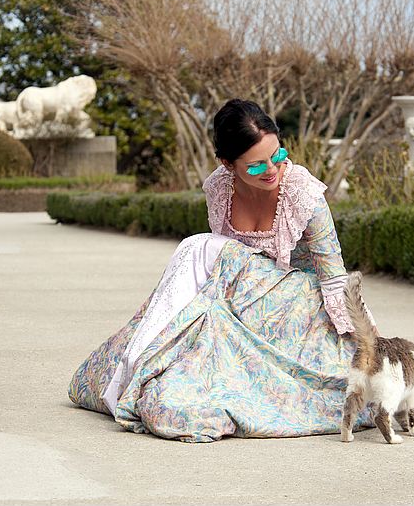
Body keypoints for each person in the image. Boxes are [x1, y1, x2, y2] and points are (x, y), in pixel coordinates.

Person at [68, 98, 377, 442]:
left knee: (198, 246)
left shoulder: (302, 192)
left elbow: (334, 277)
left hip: (294, 306)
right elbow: (218, 265)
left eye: (277, 155)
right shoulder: (219, 188)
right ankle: (137, 360)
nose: (272, 170)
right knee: (199, 264)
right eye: (257, 166)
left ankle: (146, 361)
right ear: (228, 164)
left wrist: (363, 341)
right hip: (240, 298)